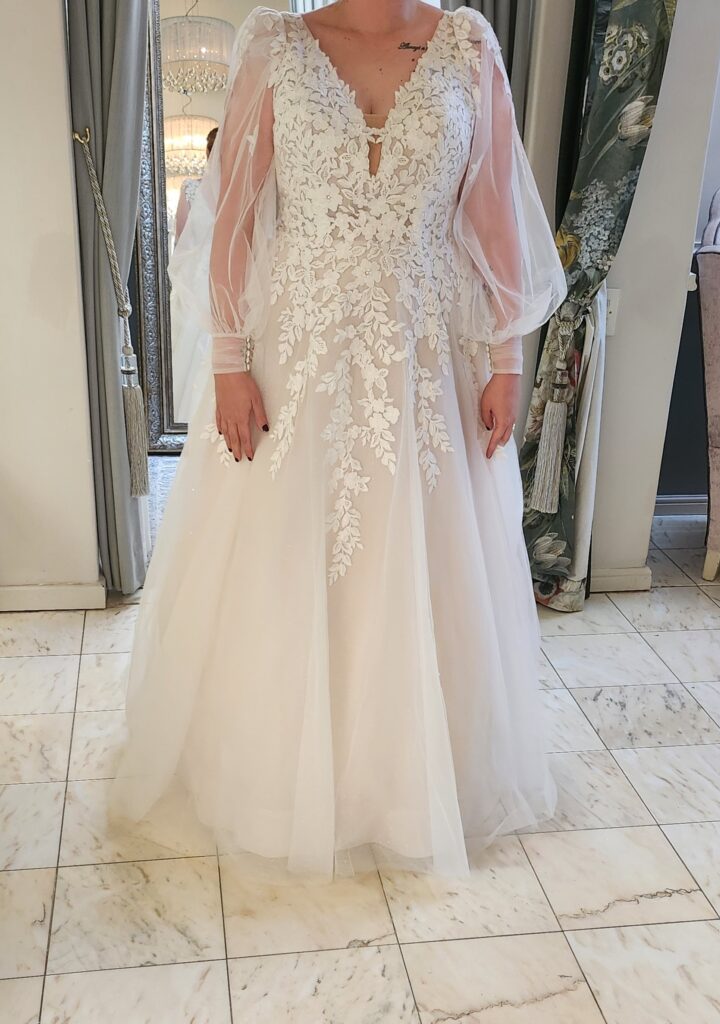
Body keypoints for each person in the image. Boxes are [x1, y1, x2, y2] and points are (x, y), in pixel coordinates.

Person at [109, 0, 567, 883]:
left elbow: (493, 215)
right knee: (287, 560)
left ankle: (406, 787)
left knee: (425, 565)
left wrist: (507, 355)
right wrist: (230, 358)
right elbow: (235, 213)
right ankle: (279, 779)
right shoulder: (275, 45)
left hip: (428, 359)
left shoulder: (468, 45)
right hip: (299, 356)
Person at [171, 127, 218, 421]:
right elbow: (182, 243)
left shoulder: (193, 189)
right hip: (200, 280)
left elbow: (181, 243)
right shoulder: (191, 189)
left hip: (206, 278)